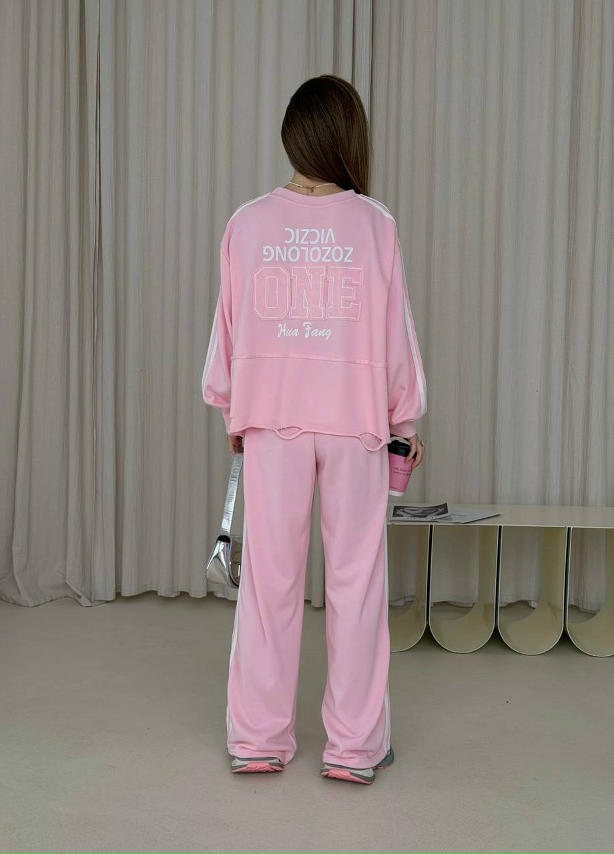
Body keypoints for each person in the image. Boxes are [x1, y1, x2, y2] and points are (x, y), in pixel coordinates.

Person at [202, 74, 426, 785]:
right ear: (349, 138)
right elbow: (397, 339)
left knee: (270, 580)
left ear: (291, 137)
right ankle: (355, 748)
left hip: (273, 422)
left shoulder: (247, 224)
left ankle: (258, 739)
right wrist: (403, 418)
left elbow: (228, 332)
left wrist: (233, 409)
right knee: (357, 582)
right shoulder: (375, 224)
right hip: (357, 424)